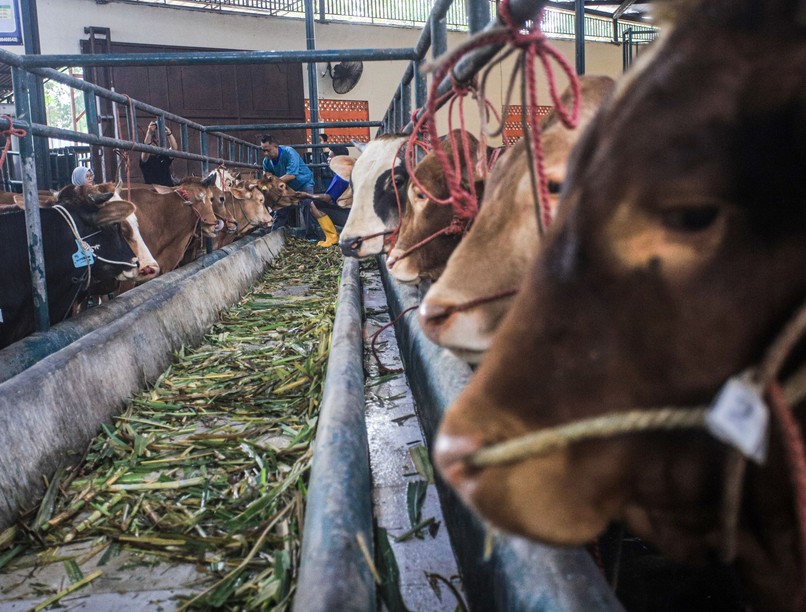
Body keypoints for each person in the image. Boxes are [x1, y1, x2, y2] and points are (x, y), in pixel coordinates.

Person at [260, 133, 318, 237]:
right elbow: (266, 178)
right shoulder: (266, 162)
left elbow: (292, 175)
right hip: (284, 187)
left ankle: (312, 236)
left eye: (268, 150)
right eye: (263, 150)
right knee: (280, 209)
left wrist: (273, 184)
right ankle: (273, 236)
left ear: (276, 146)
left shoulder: (289, 152)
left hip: (303, 183)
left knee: (307, 205)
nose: (265, 153)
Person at [305, 155, 354, 248]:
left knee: (314, 205)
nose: (328, 159)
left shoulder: (341, 178)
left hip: (350, 217)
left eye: (331, 157)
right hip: (354, 214)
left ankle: (332, 237)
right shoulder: (351, 173)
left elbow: (328, 198)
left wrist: (307, 195)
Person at [140, 121, 178, 186]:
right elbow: (146, 148)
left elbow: (174, 149)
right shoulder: (145, 159)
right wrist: (149, 132)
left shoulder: (163, 156)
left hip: (168, 189)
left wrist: (169, 134)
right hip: (154, 191)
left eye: (154, 142)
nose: (153, 144)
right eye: (151, 143)